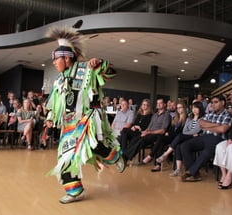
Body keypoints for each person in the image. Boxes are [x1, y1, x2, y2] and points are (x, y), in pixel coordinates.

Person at [45, 26, 125, 204]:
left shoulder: (87, 69)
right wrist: (50, 118)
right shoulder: (59, 80)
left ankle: (114, 156)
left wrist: (100, 63)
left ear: (67, 58)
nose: (53, 62)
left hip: (89, 117)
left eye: (55, 59)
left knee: (92, 144)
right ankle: (74, 190)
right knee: (65, 157)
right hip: (69, 123)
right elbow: (55, 103)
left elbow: (111, 73)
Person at [180, 95, 232, 182]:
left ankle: (191, 172)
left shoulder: (228, 114)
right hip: (204, 137)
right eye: (212, 102)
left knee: (207, 151)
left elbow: (223, 129)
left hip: (218, 138)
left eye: (216, 102)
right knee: (184, 145)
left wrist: (208, 126)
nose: (212, 105)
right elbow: (201, 124)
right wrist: (216, 125)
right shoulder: (210, 114)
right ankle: (194, 173)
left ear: (223, 103)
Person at [156, 101, 204, 176]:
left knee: (180, 136)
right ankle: (178, 169)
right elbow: (185, 130)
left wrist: (190, 133)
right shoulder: (189, 119)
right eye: (193, 108)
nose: (194, 110)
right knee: (178, 145)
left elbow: (196, 130)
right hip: (190, 137)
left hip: (196, 139)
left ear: (200, 109)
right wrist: (191, 134)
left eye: (196, 108)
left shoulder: (202, 119)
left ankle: (165, 154)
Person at [122, 98, 171, 167]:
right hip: (149, 133)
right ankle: (125, 156)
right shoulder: (155, 115)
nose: (158, 105)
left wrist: (149, 132)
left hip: (157, 135)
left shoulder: (166, 115)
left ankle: (125, 157)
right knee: (136, 138)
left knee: (141, 140)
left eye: (160, 103)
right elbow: (149, 127)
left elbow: (163, 130)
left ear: (164, 105)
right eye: (157, 103)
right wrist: (145, 131)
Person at [149, 102, 187, 172]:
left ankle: (151, 156)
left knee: (161, 139)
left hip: (178, 139)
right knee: (160, 139)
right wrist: (167, 132)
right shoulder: (175, 118)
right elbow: (170, 128)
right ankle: (158, 165)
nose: (179, 109)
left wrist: (170, 134)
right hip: (171, 137)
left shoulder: (186, 119)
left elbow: (182, 132)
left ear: (184, 108)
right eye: (177, 108)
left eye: (180, 107)